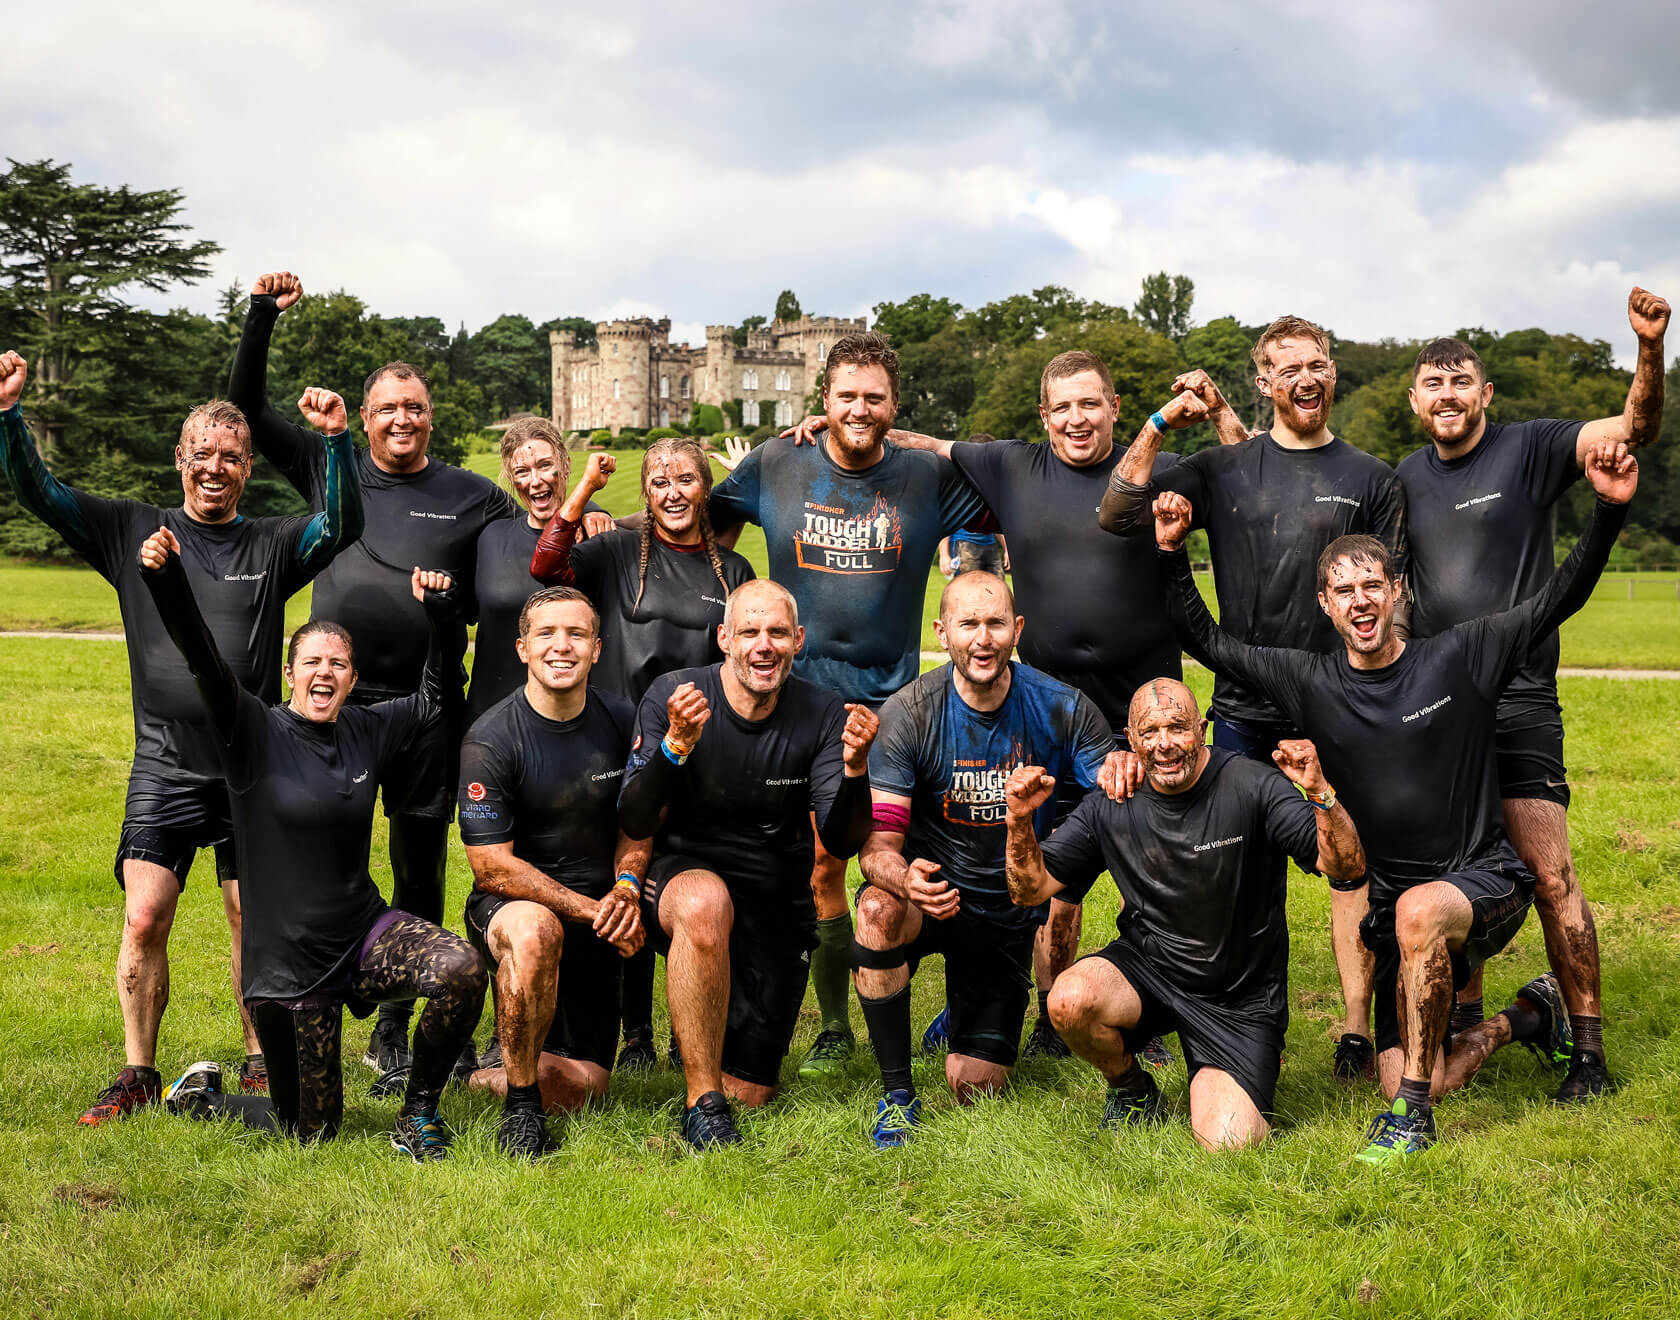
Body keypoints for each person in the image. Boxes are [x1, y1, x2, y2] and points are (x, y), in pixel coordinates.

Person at [1152, 441, 1636, 1161]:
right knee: (1418, 1066)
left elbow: (1560, 593)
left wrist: (1605, 509)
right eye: (1344, 591)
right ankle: (1528, 1016)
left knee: (1415, 916)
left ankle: (1410, 1120)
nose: (1361, 601)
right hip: (1400, 924)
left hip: (1484, 884)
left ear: (1397, 589)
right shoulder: (1310, 681)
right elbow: (1208, 641)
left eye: (1373, 585)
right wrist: (1167, 552)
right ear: (1326, 605)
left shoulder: (1462, 655)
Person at [0, 350, 360, 1124]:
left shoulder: (270, 544)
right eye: (203, 454)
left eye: (232, 456)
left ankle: (261, 1058)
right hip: (164, 766)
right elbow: (41, 493)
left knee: (249, 916)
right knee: (144, 915)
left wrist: (335, 442)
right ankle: (137, 1071)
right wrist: (8, 419)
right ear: (180, 459)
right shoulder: (130, 528)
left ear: (248, 466)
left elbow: (342, 524)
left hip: (248, 771)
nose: (216, 468)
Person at [827, 351, 1208, 1060]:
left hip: (1141, 705)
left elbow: (1249, 472)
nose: (1077, 419)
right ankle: (1045, 1014)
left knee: (1153, 864)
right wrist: (838, 427)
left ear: (1116, 406)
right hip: (1045, 707)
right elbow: (926, 444)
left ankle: (1151, 1003)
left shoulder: (1167, 468)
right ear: (1043, 415)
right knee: (1049, 877)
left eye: (1090, 404)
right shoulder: (1012, 465)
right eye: (1062, 406)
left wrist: (1220, 411)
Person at [1100, 317, 1408, 1083]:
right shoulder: (1223, 467)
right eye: (1288, 368)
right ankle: (1192, 1002)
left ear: (1332, 372)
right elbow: (1118, 513)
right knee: (1220, 867)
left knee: (1353, 864)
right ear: (1264, 383)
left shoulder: (1373, 478)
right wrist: (1165, 419)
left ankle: (1356, 1027)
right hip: (1240, 704)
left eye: (1318, 364)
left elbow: (1396, 604)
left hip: (1341, 701)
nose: (1307, 378)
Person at [230, 272, 516, 1089]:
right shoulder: (334, 467)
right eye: (387, 408)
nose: (402, 420)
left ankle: (402, 1020)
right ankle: (323, 991)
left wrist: (594, 520)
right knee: (335, 854)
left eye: (415, 408)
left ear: (432, 417)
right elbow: (247, 408)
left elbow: (519, 565)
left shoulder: (472, 497)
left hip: (426, 710)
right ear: (366, 417)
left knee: (421, 861)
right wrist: (260, 319)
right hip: (335, 709)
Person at [1397, 287, 1670, 1102]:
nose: (1447, 397)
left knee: (1548, 872)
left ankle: (1586, 1051)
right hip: (1438, 703)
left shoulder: (1532, 448)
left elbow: (1636, 430)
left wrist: (1649, 350)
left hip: (1516, 694)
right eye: (1432, 386)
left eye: (1461, 383)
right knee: (1451, 868)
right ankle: (1470, 1017)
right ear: (1414, 401)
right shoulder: (1403, 478)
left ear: (1485, 394)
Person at [138, 531, 486, 1158]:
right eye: (313, 662)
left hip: (361, 935)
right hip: (288, 969)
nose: (325, 673)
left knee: (460, 969)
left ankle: (419, 1115)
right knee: (312, 1131)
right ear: (291, 674)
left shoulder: (367, 728)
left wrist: (441, 616)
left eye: (338, 664)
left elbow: (437, 701)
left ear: (352, 679)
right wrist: (167, 581)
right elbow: (202, 657)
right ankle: (202, 1097)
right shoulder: (252, 731)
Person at [707, 333, 989, 1077]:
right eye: (845, 396)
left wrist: (939, 445)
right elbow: (707, 532)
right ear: (822, 401)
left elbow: (1015, 493)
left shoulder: (925, 478)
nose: (858, 409)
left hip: (900, 702)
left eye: (873, 397)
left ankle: (964, 1000)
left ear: (894, 406)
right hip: (806, 704)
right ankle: (837, 1023)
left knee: (929, 856)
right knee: (823, 865)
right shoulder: (777, 462)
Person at [1001, 681, 1365, 1149]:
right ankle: (1132, 1091)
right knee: (1069, 1001)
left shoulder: (1253, 785)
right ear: (1131, 741)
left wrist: (1320, 793)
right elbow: (1029, 891)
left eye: (1178, 727)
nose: (1165, 743)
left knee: (1229, 1143)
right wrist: (1017, 821)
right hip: (1150, 970)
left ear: (1202, 728)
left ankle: (1232, 1064)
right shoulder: (1112, 801)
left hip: (1236, 996)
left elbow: (1346, 866)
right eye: (1150, 732)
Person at [853, 572, 1114, 1145]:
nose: (983, 638)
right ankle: (896, 1093)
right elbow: (877, 848)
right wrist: (905, 879)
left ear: (1017, 630)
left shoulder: (1063, 708)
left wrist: (1067, 865)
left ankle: (964, 1013)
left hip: (1004, 913)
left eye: (996, 623)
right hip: (931, 896)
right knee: (875, 909)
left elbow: (1121, 802)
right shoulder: (910, 713)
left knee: (977, 1085)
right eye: (968, 624)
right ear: (943, 632)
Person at [617, 580, 877, 1148]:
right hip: (685, 878)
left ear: (798, 640)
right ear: (724, 638)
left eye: (778, 633)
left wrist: (855, 771)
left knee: (753, 1091)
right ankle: (701, 1103)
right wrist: (674, 747)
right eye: (751, 632)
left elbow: (843, 837)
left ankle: (723, 1072)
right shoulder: (675, 695)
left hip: (773, 900)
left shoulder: (822, 711)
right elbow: (635, 819)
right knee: (706, 905)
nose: (764, 646)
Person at [531, 437, 754, 1072]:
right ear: (647, 493)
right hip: (615, 736)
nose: (673, 492)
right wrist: (587, 494)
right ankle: (632, 1033)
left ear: (704, 490)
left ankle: (707, 1012)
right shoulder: (616, 551)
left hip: (697, 743)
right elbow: (547, 568)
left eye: (686, 480)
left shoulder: (730, 572)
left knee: (687, 878)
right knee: (616, 873)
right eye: (659, 482)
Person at [456, 585, 648, 1157]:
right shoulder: (490, 737)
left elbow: (637, 825)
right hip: (517, 910)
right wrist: (593, 910)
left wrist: (625, 887)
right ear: (521, 649)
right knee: (534, 930)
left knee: (585, 1087)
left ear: (596, 648)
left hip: (600, 915)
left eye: (576, 634)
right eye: (546, 634)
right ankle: (519, 1106)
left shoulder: (620, 718)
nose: (560, 646)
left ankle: (497, 1056)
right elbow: (492, 866)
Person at [464, 416, 614, 727]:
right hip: (490, 717)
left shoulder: (596, 537)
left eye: (545, 466)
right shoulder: (491, 538)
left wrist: (588, 507)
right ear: (510, 478)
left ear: (567, 464)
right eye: (522, 471)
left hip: (574, 720)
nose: (535, 481)